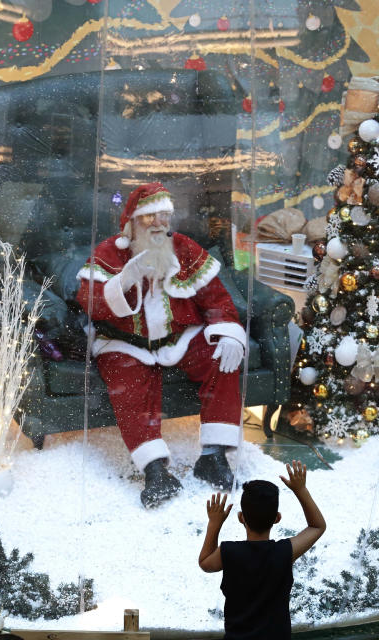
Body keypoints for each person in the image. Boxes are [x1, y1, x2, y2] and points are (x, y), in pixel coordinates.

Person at [76, 182, 247, 508]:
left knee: (222, 357)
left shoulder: (184, 249)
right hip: (126, 343)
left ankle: (213, 457)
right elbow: (90, 303)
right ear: (131, 223)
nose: (158, 224)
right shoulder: (109, 253)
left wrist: (228, 332)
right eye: (149, 217)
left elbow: (217, 299)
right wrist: (125, 279)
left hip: (179, 338)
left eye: (164, 216)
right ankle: (155, 471)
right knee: (127, 384)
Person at [198, 460, 326, 640]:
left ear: (241, 518)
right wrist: (300, 490)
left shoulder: (228, 552)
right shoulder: (284, 552)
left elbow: (205, 562)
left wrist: (214, 524)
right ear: (277, 518)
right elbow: (317, 527)